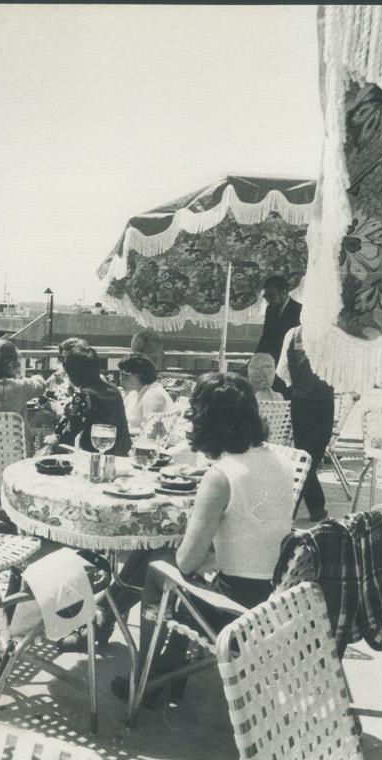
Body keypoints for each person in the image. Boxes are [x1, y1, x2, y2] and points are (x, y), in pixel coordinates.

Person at [121, 372, 296, 704]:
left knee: (158, 566)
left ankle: (145, 677)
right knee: (164, 550)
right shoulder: (281, 461)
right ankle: (167, 664)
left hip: (233, 604)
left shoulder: (221, 477)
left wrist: (208, 490)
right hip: (275, 590)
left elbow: (187, 562)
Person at [276, 326, 335, 519]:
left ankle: (294, 508)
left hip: (301, 401)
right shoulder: (334, 334)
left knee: (306, 457)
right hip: (324, 401)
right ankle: (314, 508)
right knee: (312, 457)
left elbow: (282, 369)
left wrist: (296, 387)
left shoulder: (293, 334)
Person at [55, 344, 131, 456]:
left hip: (94, 458)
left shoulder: (82, 396)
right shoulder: (114, 389)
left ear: (73, 372)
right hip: (122, 455)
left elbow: (66, 435)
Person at [116, 353, 174, 434]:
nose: (120, 378)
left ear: (139, 374)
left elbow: (150, 431)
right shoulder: (134, 393)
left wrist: (118, 432)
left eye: (124, 374)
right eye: (120, 374)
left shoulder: (153, 395)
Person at [254, 274, 300, 365]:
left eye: (271, 296)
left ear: (283, 293)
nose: (268, 301)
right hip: (272, 361)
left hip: (289, 362)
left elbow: (297, 345)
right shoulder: (270, 309)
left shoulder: (299, 311)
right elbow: (265, 337)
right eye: (266, 297)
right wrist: (255, 359)